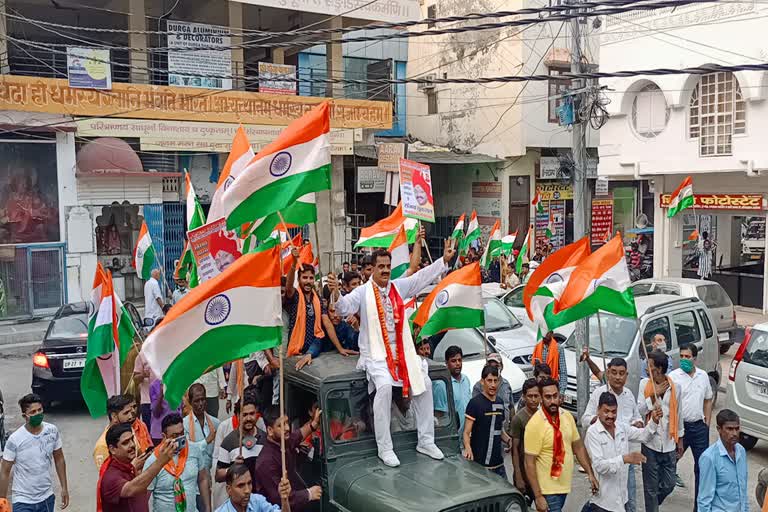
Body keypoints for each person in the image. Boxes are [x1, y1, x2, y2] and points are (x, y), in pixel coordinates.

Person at [329, 241, 455, 467]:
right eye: (381, 267)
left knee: (424, 383)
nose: (386, 270)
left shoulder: (397, 287)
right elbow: (344, 307)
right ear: (373, 269)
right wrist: (336, 293)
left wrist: (444, 261)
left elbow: (420, 277)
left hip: (402, 354)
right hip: (376, 356)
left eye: (388, 266)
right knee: (385, 388)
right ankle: (384, 448)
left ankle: (426, 441)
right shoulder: (363, 292)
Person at [524, 377, 598, 512]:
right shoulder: (534, 424)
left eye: (555, 396)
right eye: (547, 397)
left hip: (564, 486)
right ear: (541, 398)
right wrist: (538, 496)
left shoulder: (567, 417)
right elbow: (529, 463)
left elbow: (578, 447)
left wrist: (590, 473)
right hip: (547, 490)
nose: (552, 401)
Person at [580, 358, 643, 512]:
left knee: (628, 500)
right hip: (606, 455)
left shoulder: (628, 395)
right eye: (613, 373)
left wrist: (639, 422)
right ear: (608, 373)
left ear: (626, 375)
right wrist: (602, 419)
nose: (617, 377)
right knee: (603, 500)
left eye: (621, 373)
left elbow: (637, 417)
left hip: (625, 455)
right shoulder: (599, 394)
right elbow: (585, 419)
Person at [586, 392, 663, 512]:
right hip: (602, 502)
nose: (610, 416)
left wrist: (654, 421)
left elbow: (644, 436)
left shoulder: (621, 427)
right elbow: (600, 466)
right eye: (606, 411)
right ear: (598, 410)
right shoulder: (592, 433)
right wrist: (625, 459)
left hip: (622, 499)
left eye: (614, 412)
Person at [0, 394, 69, 511]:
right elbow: (5, 471)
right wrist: (2, 500)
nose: (37, 414)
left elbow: (59, 459)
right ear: (24, 416)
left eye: (39, 410)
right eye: (32, 412)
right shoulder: (15, 439)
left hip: (46, 498)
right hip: (23, 501)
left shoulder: (52, 431)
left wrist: (64, 487)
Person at [637, 350, 684, 512]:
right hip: (650, 443)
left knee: (669, 484)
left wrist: (680, 440)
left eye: (650, 366)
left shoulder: (675, 387)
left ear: (660, 369)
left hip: (669, 443)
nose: (646, 369)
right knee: (649, 489)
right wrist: (653, 395)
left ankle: (653, 505)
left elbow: (679, 414)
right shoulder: (645, 385)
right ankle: (652, 507)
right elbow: (639, 411)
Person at [670, 343, 714, 510]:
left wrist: (707, 421)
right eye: (681, 356)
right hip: (680, 428)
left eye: (687, 357)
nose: (684, 359)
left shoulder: (703, 376)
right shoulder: (674, 377)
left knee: (702, 468)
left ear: (695, 358)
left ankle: (699, 507)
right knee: (670, 461)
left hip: (699, 428)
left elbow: (708, 398)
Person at [254, 405, 323, 511]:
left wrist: (313, 424)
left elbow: (297, 436)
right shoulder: (266, 462)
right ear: (270, 430)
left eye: (286, 422)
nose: (287, 428)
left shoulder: (282, 442)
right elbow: (279, 498)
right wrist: (308, 494)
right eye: (281, 425)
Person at [97, 423, 176, 512]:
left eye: (132, 439)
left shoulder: (130, 467)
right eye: (125, 443)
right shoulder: (110, 477)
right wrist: (160, 461)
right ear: (112, 449)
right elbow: (132, 489)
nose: (132, 445)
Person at [145, 413, 211, 512]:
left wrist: (208, 508)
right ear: (164, 436)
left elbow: (202, 479)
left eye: (182, 433)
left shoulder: (194, 450)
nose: (180, 439)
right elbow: (145, 495)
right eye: (175, 436)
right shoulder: (153, 460)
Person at [463, 365, 511, 478]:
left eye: (495, 381)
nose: (493, 384)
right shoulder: (474, 403)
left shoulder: (500, 402)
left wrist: (509, 440)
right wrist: (468, 448)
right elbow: (466, 432)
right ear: (482, 381)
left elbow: (499, 429)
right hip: (480, 465)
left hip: (499, 465)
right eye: (489, 380)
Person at [697, 409, 748, 512]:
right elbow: (704, 500)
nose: (734, 433)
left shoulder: (741, 451)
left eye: (737, 429)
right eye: (729, 429)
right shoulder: (709, 458)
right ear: (719, 429)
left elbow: (743, 491)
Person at [184, 384, 220, 508]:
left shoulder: (215, 423)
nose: (201, 404)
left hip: (211, 481)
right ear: (190, 402)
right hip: (193, 485)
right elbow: (188, 451)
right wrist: (207, 440)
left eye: (203, 399)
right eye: (196, 401)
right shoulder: (184, 425)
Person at [216, 394, 266, 485]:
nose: (248, 418)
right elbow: (218, 476)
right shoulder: (228, 442)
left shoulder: (265, 439)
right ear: (237, 416)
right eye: (244, 415)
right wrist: (232, 468)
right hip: (240, 498)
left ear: (256, 414)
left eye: (252, 413)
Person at [94, 394, 153, 469]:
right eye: (126, 413)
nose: (131, 416)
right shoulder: (102, 446)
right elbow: (107, 477)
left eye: (132, 411)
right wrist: (133, 468)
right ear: (114, 416)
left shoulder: (130, 431)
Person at [510, 379, 540, 502]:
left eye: (536, 396)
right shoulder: (519, 419)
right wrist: (518, 476)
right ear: (524, 397)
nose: (533, 399)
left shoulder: (542, 416)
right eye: (530, 396)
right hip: (523, 472)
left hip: (539, 473)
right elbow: (515, 449)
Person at [216, 463, 289, 512]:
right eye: (241, 486)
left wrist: (284, 499)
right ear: (229, 489)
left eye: (249, 483)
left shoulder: (257, 501)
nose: (247, 490)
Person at [471, 352, 515, 423]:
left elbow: (511, 407)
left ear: (502, 366)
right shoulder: (478, 386)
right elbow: (474, 411)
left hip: (504, 428)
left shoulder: (506, 384)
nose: (493, 369)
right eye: (490, 366)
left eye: (496, 366)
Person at [150, 378, 182, 445]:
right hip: (159, 434)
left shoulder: (178, 383)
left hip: (177, 432)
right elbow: (156, 413)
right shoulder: (154, 385)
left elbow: (180, 409)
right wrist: (161, 394)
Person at [133, 352, 155, 428]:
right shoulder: (141, 355)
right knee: (149, 431)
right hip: (147, 401)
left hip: (165, 400)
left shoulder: (164, 352)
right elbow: (135, 379)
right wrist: (143, 375)